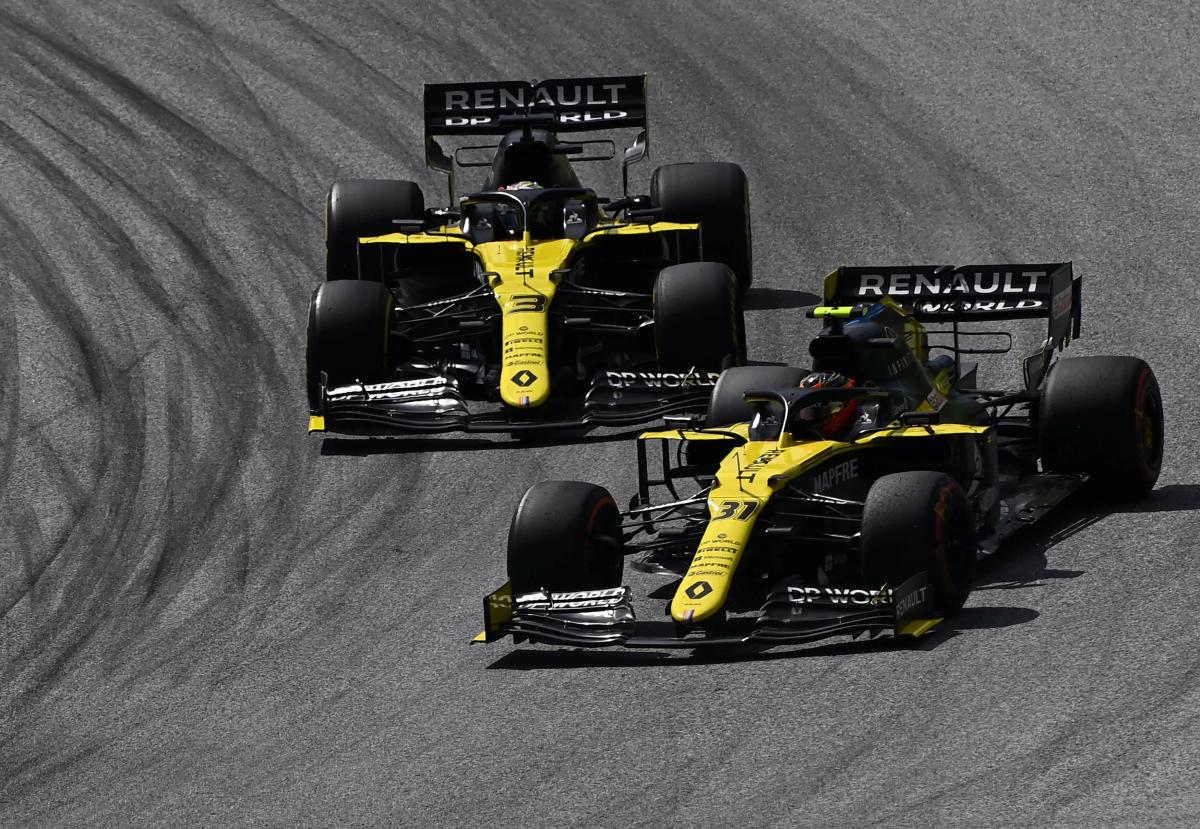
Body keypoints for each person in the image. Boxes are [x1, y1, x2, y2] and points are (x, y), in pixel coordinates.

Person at [795, 371, 859, 440]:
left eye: (817, 411)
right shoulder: (802, 431)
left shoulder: (862, 436)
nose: (808, 419)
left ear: (837, 408)